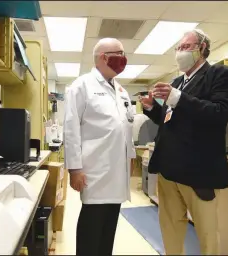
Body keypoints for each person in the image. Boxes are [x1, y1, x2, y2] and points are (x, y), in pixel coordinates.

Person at [139, 29, 228, 255]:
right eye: (178, 48)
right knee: (170, 229)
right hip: (168, 170)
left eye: (186, 47)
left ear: (202, 49)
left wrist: (177, 97)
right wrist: (152, 108)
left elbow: (219, 112)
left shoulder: (221, 74)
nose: (180, 52)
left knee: (207, 233)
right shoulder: (178, 82)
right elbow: (170, 120)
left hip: (198, 172)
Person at [63, 38, 136, 256]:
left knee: (108, 231)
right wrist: (74, 169)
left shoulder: (121, 91)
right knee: (91, 230)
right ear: (104, 57)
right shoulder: (82, 85)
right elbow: (71, 129)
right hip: (94, 172)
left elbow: (127, 128)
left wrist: (130, 158)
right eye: (119, 53)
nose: (123, 58)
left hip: (117, 174)